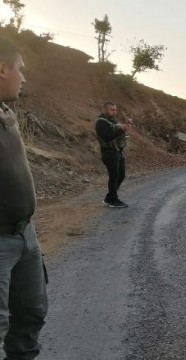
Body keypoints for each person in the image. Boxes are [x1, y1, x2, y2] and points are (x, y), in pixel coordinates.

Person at [0, 37, 48, 359]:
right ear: (2, 69)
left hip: (25, 235)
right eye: (21, 70)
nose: (24, 78)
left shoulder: (6, 112)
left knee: (31, 315)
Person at [95, 101, 131, 208]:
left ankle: (109, 198)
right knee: (114, 177)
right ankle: (113, 200)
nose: (114, 112)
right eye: (112, 110)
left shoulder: (112, 120)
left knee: (121, 175)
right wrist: (121, 130)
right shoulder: (100, 122)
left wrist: (125, 124)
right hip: (109, 153)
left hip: (118, 152)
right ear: (105, 110)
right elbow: (107, 137)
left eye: (115, 110)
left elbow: (117, 129)